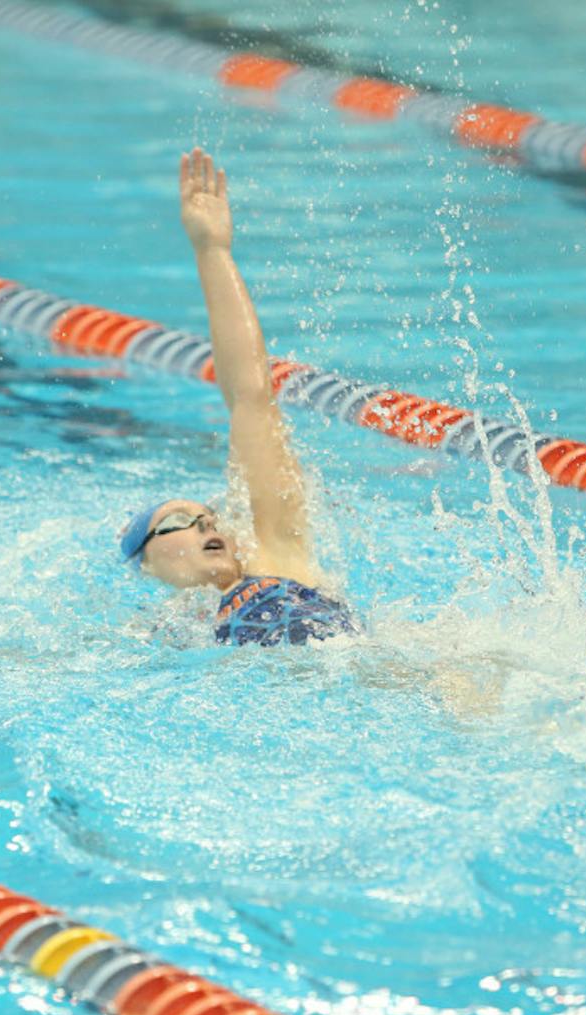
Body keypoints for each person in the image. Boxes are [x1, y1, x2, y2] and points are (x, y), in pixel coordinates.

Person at [119, 148, 358, 647]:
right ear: (146, 561)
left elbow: (252, 395)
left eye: (209, 517)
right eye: (181, 522)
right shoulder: (158, 638)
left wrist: (213, 251)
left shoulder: (277, 558)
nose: (209, 523)